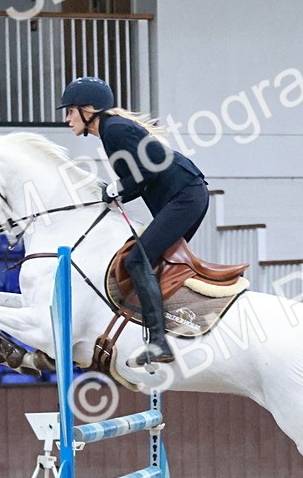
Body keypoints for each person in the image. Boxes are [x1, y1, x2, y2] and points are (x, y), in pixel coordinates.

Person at [58, 76, 208, 366]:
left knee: (136, 261)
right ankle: (174, 326)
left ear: (88, 109)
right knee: (152, 263)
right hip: (186, 195)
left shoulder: (115, 130)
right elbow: (141, 179)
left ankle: (160, 342)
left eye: (70, 111)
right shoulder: (113, 131)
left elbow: (149, 169)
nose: (67, 119)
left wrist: (118, 188)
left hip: (185, 196)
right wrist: (117, 192)